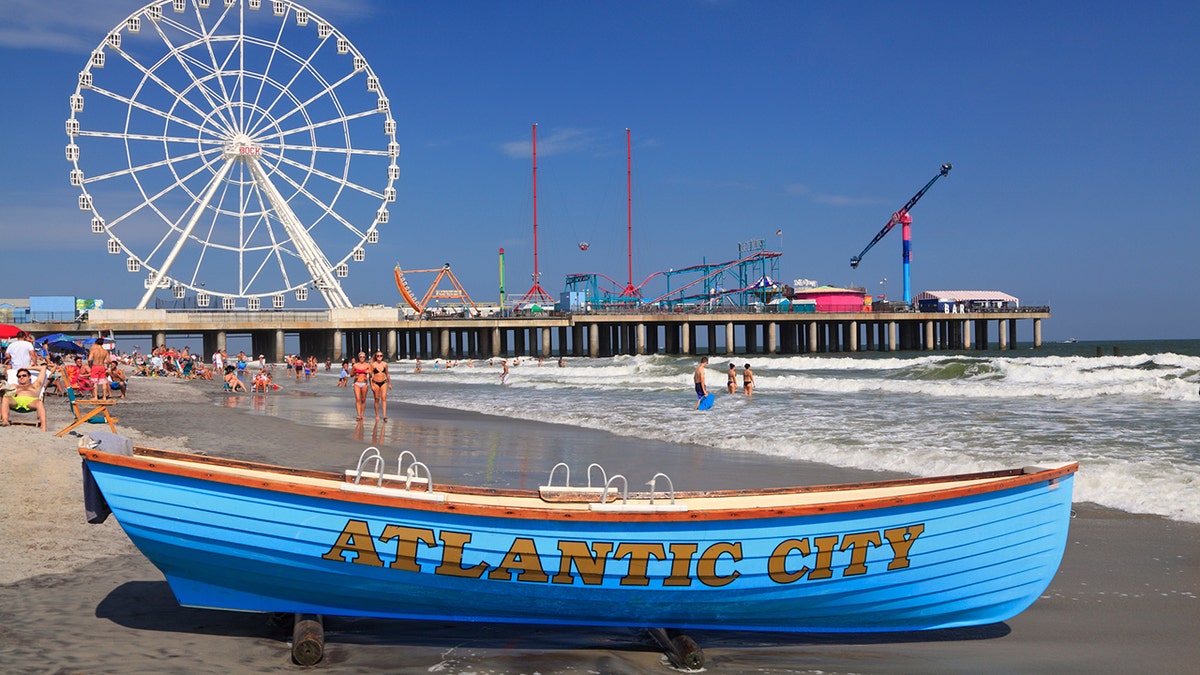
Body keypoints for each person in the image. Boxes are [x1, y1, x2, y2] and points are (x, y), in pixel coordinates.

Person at [2, 365, 48, 430]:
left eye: (24, 375)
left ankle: (43, 426)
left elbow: (43, 367)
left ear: (29, 377)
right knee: (5, 398)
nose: (21, 377)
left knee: (39, 402)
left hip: (31, 401)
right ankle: (5, 420)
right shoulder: (14, 386)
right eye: (19, 376)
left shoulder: (36, 385)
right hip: (16, 401)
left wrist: (26, 368)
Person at [369, 351, 390, 421]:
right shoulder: (373, 365)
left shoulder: (385, 364)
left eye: (380, 356)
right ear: (376, 357)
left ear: (382, 356)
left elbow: (387, 374)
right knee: (377, 399)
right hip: (375, 383)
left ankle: (384, 415)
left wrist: (389, 383)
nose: (379, 357)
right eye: (377, 356)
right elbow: (370, 376)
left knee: (383, 398)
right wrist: (371, 385)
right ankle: (377, 415)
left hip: (384, 382)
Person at [351, 352, 371, 420]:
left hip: (364, 383)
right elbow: (351, 374)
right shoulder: (355, 365)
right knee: (358, 399)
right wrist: (354, 373)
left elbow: (371, 375)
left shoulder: (368, 365)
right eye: (360, 357)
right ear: (358, 358)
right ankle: (358, 415)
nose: (362, 358)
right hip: (357, 383)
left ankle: (362, 414)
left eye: (363, 357)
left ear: (365, 358)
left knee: (363, 400)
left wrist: (368, 372)